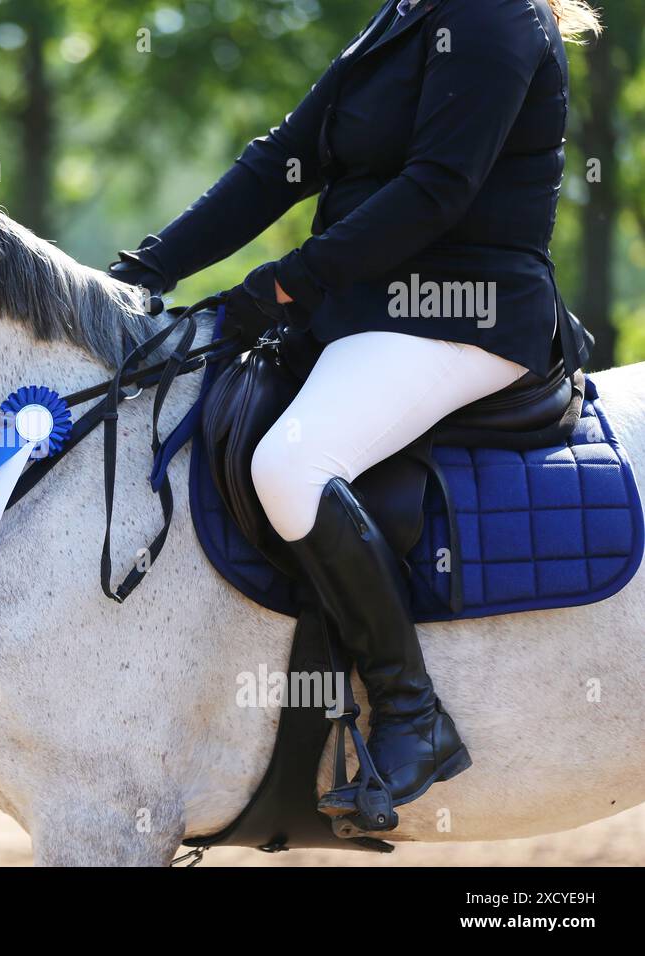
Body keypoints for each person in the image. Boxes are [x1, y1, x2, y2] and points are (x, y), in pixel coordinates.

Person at [109, 0, 600, 823]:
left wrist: (286, 281)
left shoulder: (493, 19)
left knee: (292, 464)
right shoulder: (404, 16)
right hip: (363, 308)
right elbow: (282, 163)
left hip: (461, 313)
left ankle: (414, 713)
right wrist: (143, 272)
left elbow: (437, 190)